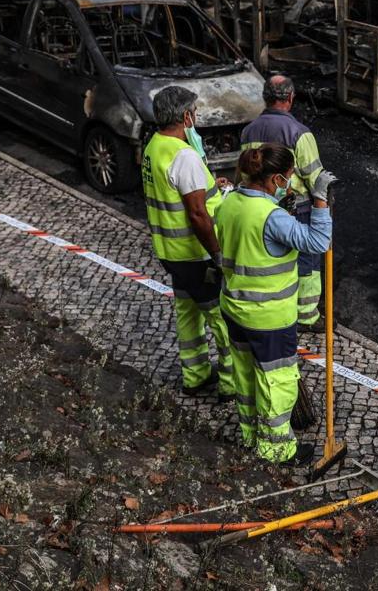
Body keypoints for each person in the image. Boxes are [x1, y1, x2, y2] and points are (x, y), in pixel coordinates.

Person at [216, 144, 334, 465]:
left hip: (234, 309)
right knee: (276, 382)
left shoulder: (229, 204)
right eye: (289, 179)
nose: (291, 185)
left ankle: (250, 435)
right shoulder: (272, 218)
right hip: (268, 318)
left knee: (245, 375)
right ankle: (277, 449)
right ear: (275, 179)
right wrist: (321, 202)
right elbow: (318, 242)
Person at [141, 86, 235, 402]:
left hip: (169, 253)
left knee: (187, 313)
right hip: (195, 256)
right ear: (185, 116)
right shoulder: (184, 156)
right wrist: (218, 255)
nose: (196, 117)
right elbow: (197, 214)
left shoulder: (154, 147)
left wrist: (212, 185)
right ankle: (230, 385)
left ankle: (194, 376)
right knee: (221, 318)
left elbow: (179, 193)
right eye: (194, 111)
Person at [240, 75, 328, 332]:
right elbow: (316, 178)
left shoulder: (248, 131)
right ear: (290, 98)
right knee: (307, 263)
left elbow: (246, 172)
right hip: (297, 208)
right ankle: (307, 315)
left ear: (265, 98)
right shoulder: (299, 134)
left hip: (260, 205)